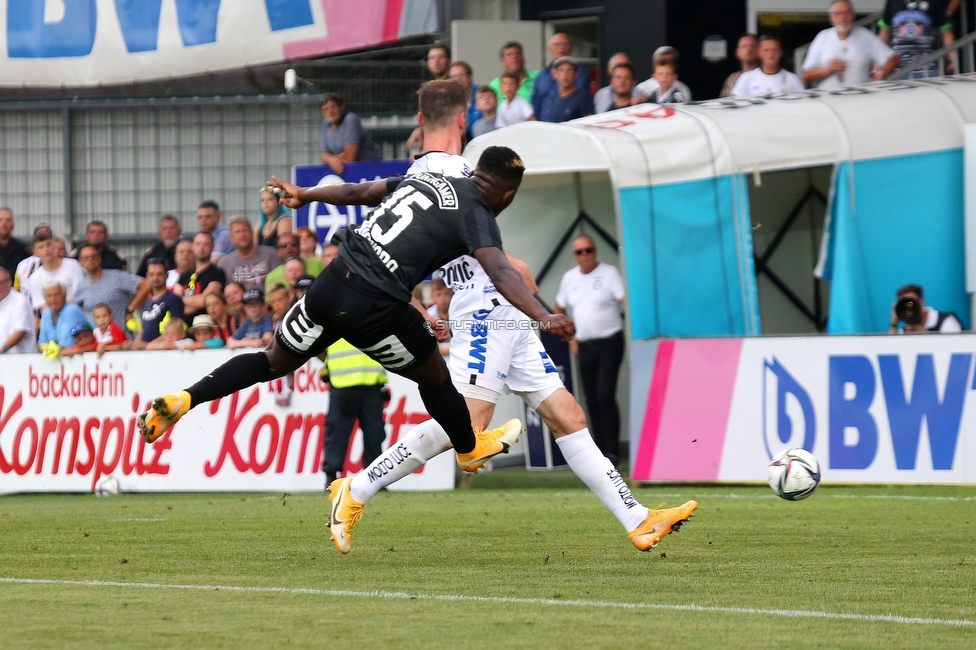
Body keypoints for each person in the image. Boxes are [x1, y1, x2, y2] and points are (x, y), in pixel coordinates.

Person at [320, 86, 696, 556]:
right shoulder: (462, 172)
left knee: (567, 415)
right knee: (467, 424)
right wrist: (514, 273)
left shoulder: (421, 171)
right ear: (462, 121)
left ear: (422, 121)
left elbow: (392, 217)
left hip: (504, 314)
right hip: (482, 313)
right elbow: (483, 254)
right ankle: (356, 489)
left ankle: (637, 520)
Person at [138, 148, 574, 546]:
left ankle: (186, 398)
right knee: (435, 376)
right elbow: (500, 269)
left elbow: (364, 191)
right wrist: (543, 314)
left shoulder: (430, 181)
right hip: (374, 302)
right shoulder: (479, 211)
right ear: (508, 193)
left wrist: (307, 194)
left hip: (334, 279)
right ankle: (468, 447)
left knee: (274, 360)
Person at [555, 235, 626, 467]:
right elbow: (559, 307)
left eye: (589, 250)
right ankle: (601, 450)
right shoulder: (569, 278)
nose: (585, 255)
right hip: (584, 345)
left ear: (595, 251)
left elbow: (625, 300)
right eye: (579, 252)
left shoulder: (609, 273)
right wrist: (570, 338)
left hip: (610, 341)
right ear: (574, 255)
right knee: (592, 399)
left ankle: (613, 450)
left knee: (605, 395)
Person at [321, 337, 389, 486]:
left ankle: (373, 478)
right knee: (339, 434)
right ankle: (332, 478)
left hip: (362, 382)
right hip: (345, 383)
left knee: (373, 434)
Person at [803, 1, 899, 88]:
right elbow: (806, 74)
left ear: (853, 15)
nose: (843, 17)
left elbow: (893, 58)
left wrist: (881, 75)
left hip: (859, 100)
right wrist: (828, 70)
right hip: (829, 101)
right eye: (838, 14)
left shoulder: (866, 36)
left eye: (847, 12)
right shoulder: (822, 37)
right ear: (831, 17)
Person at [73, 244, 151, 332]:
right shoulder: (82, 285)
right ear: (80, 262)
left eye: (93, 256)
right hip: (96, 339)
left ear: (100, 258)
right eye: (86, 258)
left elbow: (146, 284)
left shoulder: (116, 276)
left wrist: (130, 309)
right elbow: (74, 307)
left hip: (120, 337)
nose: (90, 260)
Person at [879, 0, 954, 78]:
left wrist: (953, 58)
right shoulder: (893, 2)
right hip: (899, 71)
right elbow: (884, 32)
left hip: (929, 70)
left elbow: (946, 32)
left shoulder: (935, 2)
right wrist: (877, 65)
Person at [319, 93, 382, 175]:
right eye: (325, 109)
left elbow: (350, 157)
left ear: (341, 107)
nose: (330, 111)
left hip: (370, 168)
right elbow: (324, 155)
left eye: (333, 107)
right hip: (347, 171)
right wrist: (331, 160)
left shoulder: (350, 120)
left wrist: (331, 160)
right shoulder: (326, 124)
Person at [24, 230, 85, 314]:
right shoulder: (34, 278)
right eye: (41, 247)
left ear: (54, 246)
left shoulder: (73, 265)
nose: (46, 250)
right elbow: (43, 308)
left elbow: (80, 296)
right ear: (36, 253)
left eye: (48, 245)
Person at [531, 33, 591, 117]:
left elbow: (578, 98)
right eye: (557, 45)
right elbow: (535, 103)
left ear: (571, 49)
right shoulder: (542, 75)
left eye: (565, 44)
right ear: (549, 49)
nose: (561, 47)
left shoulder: (579, 72)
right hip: (543, 126)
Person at [132, 260, 184, 349]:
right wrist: (136, 342)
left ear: (166, 276)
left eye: (159, 274)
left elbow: (176, 330)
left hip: (165, 353)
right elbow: (145, 328)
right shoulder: (148, 302)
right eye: (152, 274)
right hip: (147, 354)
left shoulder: (174, 299)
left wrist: (147, 345)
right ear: (147, 276)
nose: (155, 278)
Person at [217, 216, 280, 289]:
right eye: (237, 232)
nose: (242, 235)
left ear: (252, 233)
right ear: (231, 238)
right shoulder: (224, 263)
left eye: (245, 230)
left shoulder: (271, 254)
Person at [732, 35, 805, 96]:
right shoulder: (746, 78)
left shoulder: (793, 79)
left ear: (781, 53)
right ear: (759, 53)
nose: (771, 54)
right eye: (766, 50)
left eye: (775, 50)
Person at [177, 231, 226, 321]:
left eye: (206, 244)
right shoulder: (184, 276)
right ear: (193, 247)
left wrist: (181, 300)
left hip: (206, 325)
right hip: (183, 327)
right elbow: (174, 301)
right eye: (198, 244)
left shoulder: (217, 273)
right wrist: (194, 302)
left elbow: (204, 301)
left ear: (212, 247)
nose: (201, 248)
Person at [538, 56, 595, 123]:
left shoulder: (583, 96)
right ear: (555, 75)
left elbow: (590, 122)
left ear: (576, 74)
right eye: (561, 70)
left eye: (569, 70)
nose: (565, 74)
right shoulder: (552, 96)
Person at [887, 283, 962, 333]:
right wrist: (893, 324)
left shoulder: (945, 321)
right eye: (904, 303)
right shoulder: (905, 330)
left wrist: (925, 336)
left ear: (921, 303)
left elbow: (956, 348)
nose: (908, 307)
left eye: (911, 303)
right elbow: (889, 351)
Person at [37, 282, 87, 351]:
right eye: (49, 296)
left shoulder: (71, 311)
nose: (53, 299)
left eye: (57, 294)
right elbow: (41, 344)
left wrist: (48, 347)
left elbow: (66, 345)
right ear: (45, 299)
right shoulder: (46, 313)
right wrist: (50, 347)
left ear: (65, 296)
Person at [0, 267, 36, 355]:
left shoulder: (20, 301)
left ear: (10, 282)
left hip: (21, 360)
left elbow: (21, 331)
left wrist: (2, 350)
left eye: (2, 282)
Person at [449, 61, 483, 139]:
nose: (458, 79)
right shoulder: (448, 100)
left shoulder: (483, 94)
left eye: (462, 74)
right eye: (453, 76)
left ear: (471, 77)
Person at [14, 223, 50, 293]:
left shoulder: (56, 263)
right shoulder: (22, 265)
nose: (45, 249)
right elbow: (17, 289)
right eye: (41, 246)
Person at [0, 207, 31, 279]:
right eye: (0, 220)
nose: (4, 224)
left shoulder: (23, 249)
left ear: (13, 225)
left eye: (8, 220)